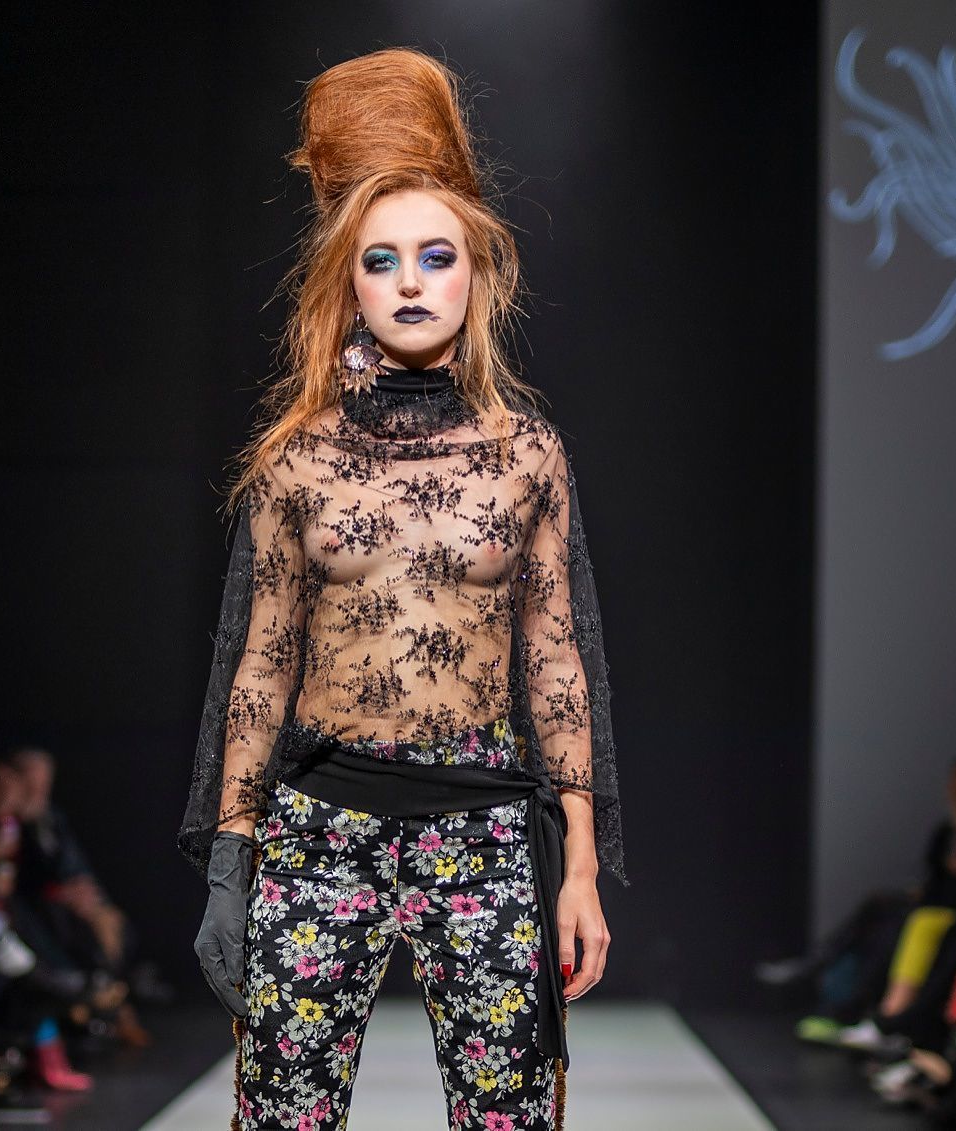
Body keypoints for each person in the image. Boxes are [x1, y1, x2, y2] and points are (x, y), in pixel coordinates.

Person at [179, 47, 624, 1131]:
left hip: (483, 823)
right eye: (382, 261)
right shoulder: (297, 460)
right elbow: (259, 665)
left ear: (479, 275)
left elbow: (556, 661)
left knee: (508, 1116)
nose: (412, 282)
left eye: (436, 256)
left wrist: (578, 868)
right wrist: (232, 861)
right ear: (351, 285)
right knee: (283, 1117)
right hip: (317, 824)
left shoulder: (526, 457)